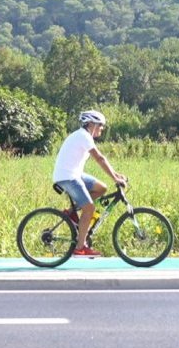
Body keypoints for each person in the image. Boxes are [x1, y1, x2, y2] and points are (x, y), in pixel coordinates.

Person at [52, 110, 127, 257]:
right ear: (91, 124)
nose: (102, 128)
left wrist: (116, 174)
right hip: (68, 177)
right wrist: (115, 179)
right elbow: (99, 158)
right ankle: (80, 248)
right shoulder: (83, 136)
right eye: (100, 125)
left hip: (74, 174)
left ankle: (71, 213)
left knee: (101, 188)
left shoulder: (84, 136)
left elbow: (101, 159)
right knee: (89, 208)